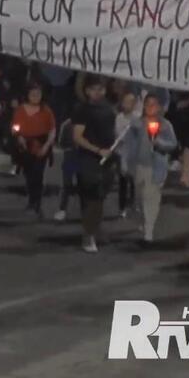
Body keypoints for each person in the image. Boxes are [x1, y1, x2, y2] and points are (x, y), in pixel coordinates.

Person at [121, 93, 178, 245]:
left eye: (153, 104)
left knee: (151, 197)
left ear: (159, 107)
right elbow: (127, 144)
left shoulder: (165, 125)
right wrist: (124, 162)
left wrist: (159, 142)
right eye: (147, 104)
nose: (150, 107)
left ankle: (149, 230)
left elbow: (173, 144)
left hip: (156, 167)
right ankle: (143, 220)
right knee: (140, 197)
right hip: (139, 166)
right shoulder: (136, 124)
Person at [72, 76, 117, 253]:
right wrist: (97, 150)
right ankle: (88, 235)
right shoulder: (82, 110)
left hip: (108, 158)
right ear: (87, 91)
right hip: (88, 159)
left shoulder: (109, 108)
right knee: (93, 196)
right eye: (93, 89)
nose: (97, 93)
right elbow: (77, 137)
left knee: (99, 196)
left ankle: (94, 228)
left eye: (100, 89)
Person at [11, 82, 56, 218]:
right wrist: (19, 137)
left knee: (38, 174)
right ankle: (31, 200)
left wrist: (47, 145)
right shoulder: (20, 110)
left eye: (38, 94)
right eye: (33, 94)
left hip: (41, 145)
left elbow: (52, 129)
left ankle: (37, 202)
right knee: (29, 174)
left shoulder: (46, 111)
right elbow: (15, 127)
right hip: (25, 146)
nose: (36, 97)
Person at [115, 92, 139, 220]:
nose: (127, 104)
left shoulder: (138, 117)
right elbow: (119, 135)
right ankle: (122, 207)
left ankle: (133, 203)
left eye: (130, 102)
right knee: (123, 181)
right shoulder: (119, 118)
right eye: (125, 102)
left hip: (135, 154)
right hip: (122, 153)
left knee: (135, 182)